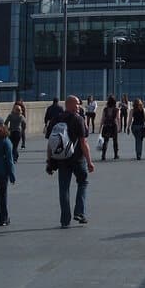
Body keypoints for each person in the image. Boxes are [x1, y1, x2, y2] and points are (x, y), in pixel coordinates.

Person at [45, 95, 94, 227]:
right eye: (77, 103)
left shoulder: (55, 119)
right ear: (70, 104)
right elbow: (84, 143)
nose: (79, 106)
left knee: (63, 189)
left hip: (61, 159)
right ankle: (79, 212)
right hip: (77, 159)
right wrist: (89, 161)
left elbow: (50, 143)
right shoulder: (78, 119)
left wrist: (49, 161)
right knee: (83, 182)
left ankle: (65, 220)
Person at [99, 95, 120, 160]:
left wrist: (100, 127)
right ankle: (116, 155)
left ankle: (103, 155)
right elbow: (118, 118)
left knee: (106, 141)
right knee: (115, 140)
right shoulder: (116, 109)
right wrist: (119, 127)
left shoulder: (105, 109)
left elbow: (102, 118)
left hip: (106, 126)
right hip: (113, 126)